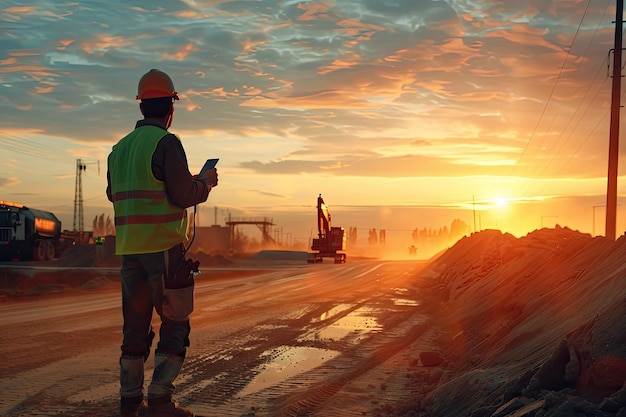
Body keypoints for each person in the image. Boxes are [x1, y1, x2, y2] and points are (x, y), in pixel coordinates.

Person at [106, 69, 218, 417]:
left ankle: (129, 402)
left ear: (142, 108)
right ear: (171, 106)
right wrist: (206, 182)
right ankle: (159, 400)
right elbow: (184, 194)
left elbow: (114, 193)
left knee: (135, 327)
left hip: (129, 252)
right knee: (175, 321)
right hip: (164, 250)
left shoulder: (118, 149)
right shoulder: (167, 143)